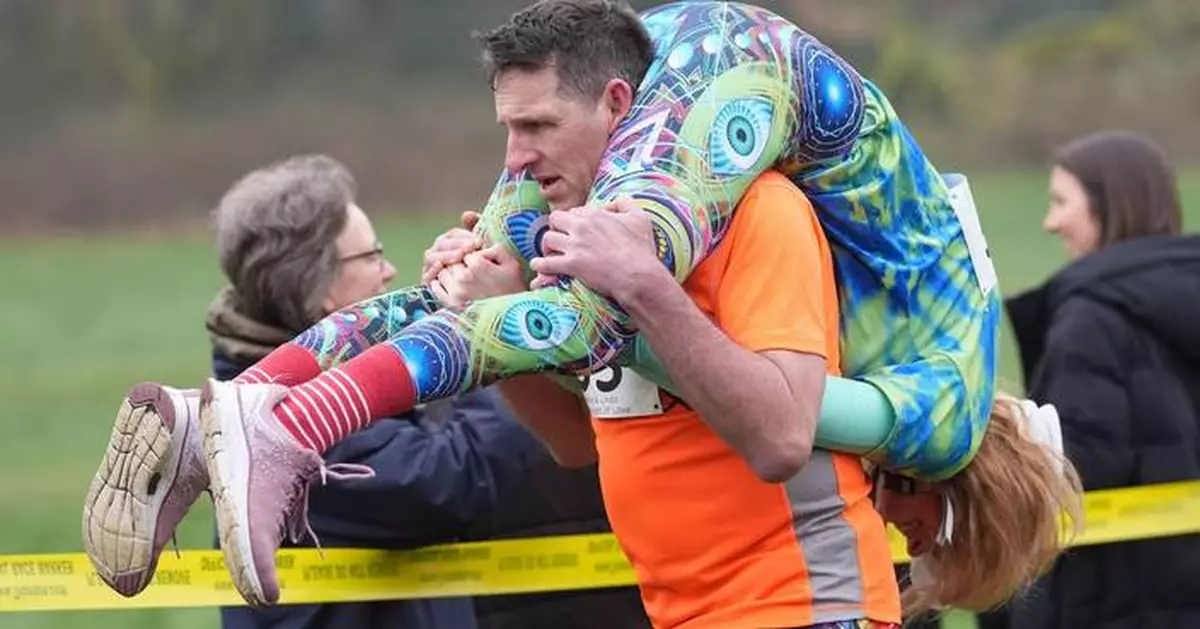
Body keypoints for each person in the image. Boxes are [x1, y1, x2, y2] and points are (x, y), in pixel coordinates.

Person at [85, 0, 1064, 617]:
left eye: (536, 127)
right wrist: (502, 305)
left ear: (615, 105)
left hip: (798, 609)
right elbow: (573, 439)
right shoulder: (582, 217)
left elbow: (774, 432)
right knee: (449, 298)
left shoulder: (763, 216)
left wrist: (628, 297)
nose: (514, 157)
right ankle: (229, 406)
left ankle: (290, 418)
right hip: (680, 610)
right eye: (508, 129)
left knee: (585, 302)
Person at [82, 154, 550, 629]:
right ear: (322, 285)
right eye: (372, 254)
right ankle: (203, 438)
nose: (389, 270)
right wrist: (490, 333)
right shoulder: (321, 432)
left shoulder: (286, 371)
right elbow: (451, 479)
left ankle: (195, 438)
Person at [1002, 130, 1200, 629]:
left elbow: (1081, 465)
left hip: (1116, 601)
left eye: (1061, 201)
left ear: (1111, 205)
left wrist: (1007, 436)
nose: (1050, 222)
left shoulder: (1091, 320)